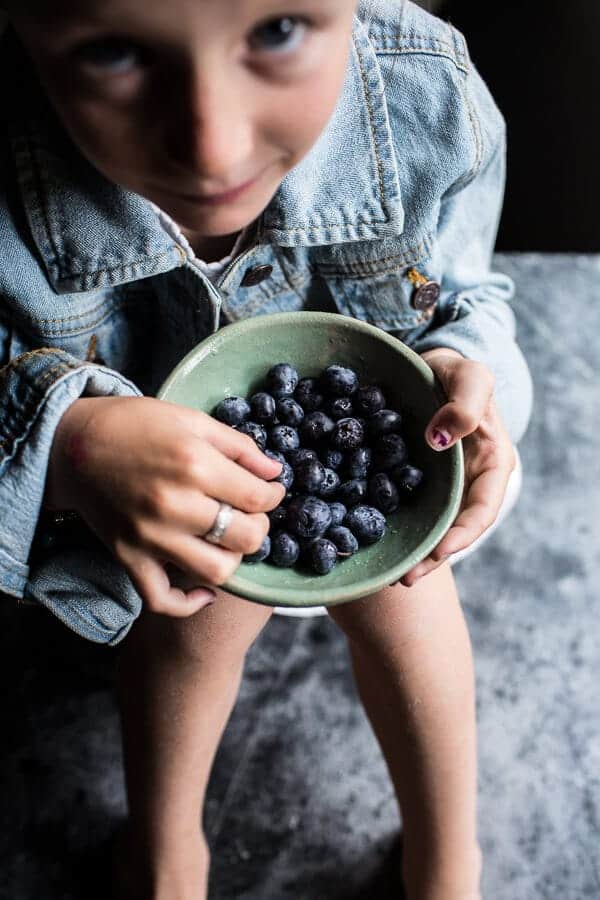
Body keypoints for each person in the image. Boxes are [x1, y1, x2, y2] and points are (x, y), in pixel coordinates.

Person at [0, 0, 533, 897]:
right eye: (116, 52)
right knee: (203, 602)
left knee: (407, 588)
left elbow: (471, 295)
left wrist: (463, 368)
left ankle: (447, 855)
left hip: (378, 445)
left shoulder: (427, 92)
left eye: (278, 31)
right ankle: (167, 852)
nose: (212, 146)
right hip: (129, 499)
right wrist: (68, 442)